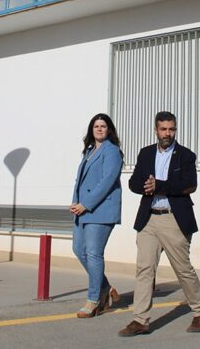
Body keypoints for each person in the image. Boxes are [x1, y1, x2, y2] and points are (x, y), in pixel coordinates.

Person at [118, 111, 200, 337]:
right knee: (144, 269)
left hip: (174, 219)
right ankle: (140, 320)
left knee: (182, 269)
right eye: (163, 129)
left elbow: (190, 185)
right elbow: (133, 183)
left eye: (171, 129)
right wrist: (145, 186)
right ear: (156, 130)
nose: (167, 133)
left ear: (175, 130)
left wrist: (159, 186)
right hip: (149, 219)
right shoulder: (146, 153)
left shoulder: (185, 155)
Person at [70, 113, 123, 318]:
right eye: (96, 126)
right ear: (92, 130)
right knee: (78, 249)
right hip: (82, 209)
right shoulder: (90, 151)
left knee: (93, 253)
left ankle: (93, 300)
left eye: (103, 126)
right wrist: (75, 202)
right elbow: (80, 181)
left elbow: (107, 182)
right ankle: (105, 287)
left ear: (109, 129)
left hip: (100, 211)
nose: (99, 129)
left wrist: (86, 204)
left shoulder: (112, 151)